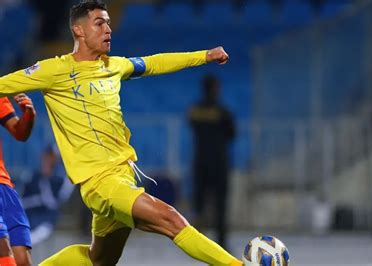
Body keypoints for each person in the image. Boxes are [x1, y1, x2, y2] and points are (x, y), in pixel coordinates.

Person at [0, 1, 241, 265]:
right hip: (100, 183)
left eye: (109, 23)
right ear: (78, 31)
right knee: (171, 219)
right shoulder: (53, 70)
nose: (108, 29)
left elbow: (154, 63)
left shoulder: (114, 66)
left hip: (123, 176)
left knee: (99, 260)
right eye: (100, 23)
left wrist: (204, 55)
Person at [188, 74, 236, 249]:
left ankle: (197, 244)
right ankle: (221, 243)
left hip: (200, 162)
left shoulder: (194, 111)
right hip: (219, 164)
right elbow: (232, 134)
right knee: (220, 206)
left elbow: (192, 126)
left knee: (199, 204)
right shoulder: (223, 112)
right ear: (215, 89)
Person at [0, 94, 36, 266]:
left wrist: (29, 115)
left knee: (22, 260)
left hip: (5, 187)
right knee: (2, 247)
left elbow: (19, 132)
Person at [21, 144, 74, 246]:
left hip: (45, 221)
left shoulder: (61, 181)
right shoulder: (32, 176)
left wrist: (45, 181)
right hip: (28, 217)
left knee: (34, 238)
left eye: (51, 157)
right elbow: (23, 200)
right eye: (47, 156)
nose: (48, 160)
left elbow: (55, 204)